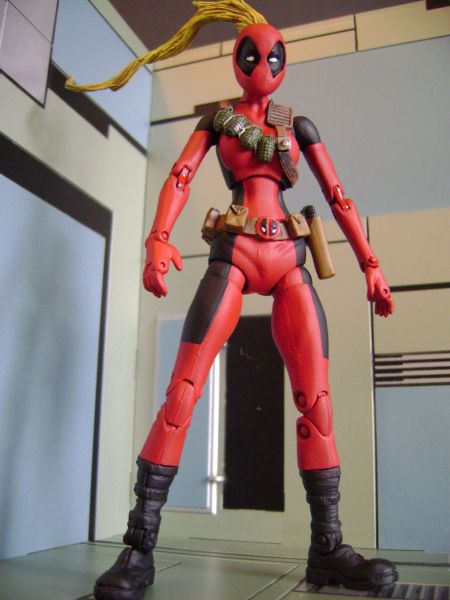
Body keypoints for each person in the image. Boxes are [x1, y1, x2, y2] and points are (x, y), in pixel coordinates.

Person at [67, 2, 398, 598]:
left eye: (274, 56)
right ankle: (139, 548)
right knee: (183, 392)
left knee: (317, 403)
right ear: (238, 59)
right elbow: (180, 175)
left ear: (283, 62)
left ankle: (327, 548)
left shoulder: (297, 126)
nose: (263, 65)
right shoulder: (219, 120)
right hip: (236, 253)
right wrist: (157, 237)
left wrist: (371, 265)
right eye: (253, 54)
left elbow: (338, 195)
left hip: (289, 260)